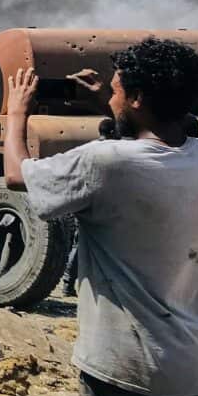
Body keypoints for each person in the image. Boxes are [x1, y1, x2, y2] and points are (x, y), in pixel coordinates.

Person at [4, 39, 198, 396]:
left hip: (128, 368)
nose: (110, 97)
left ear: (136, 98)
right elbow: (146, 148)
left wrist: (15, 114)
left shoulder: (102, 163)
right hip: (194, 366)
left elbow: (16, 174)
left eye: (116, 91)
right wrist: (108, 102)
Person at [62, 117, 119, 297]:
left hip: (84, 201)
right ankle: (72, 283)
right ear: (112, 132)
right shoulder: (112, 151)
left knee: (80, 245)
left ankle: (68, 284)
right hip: (102, 204)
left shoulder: (88, 149)